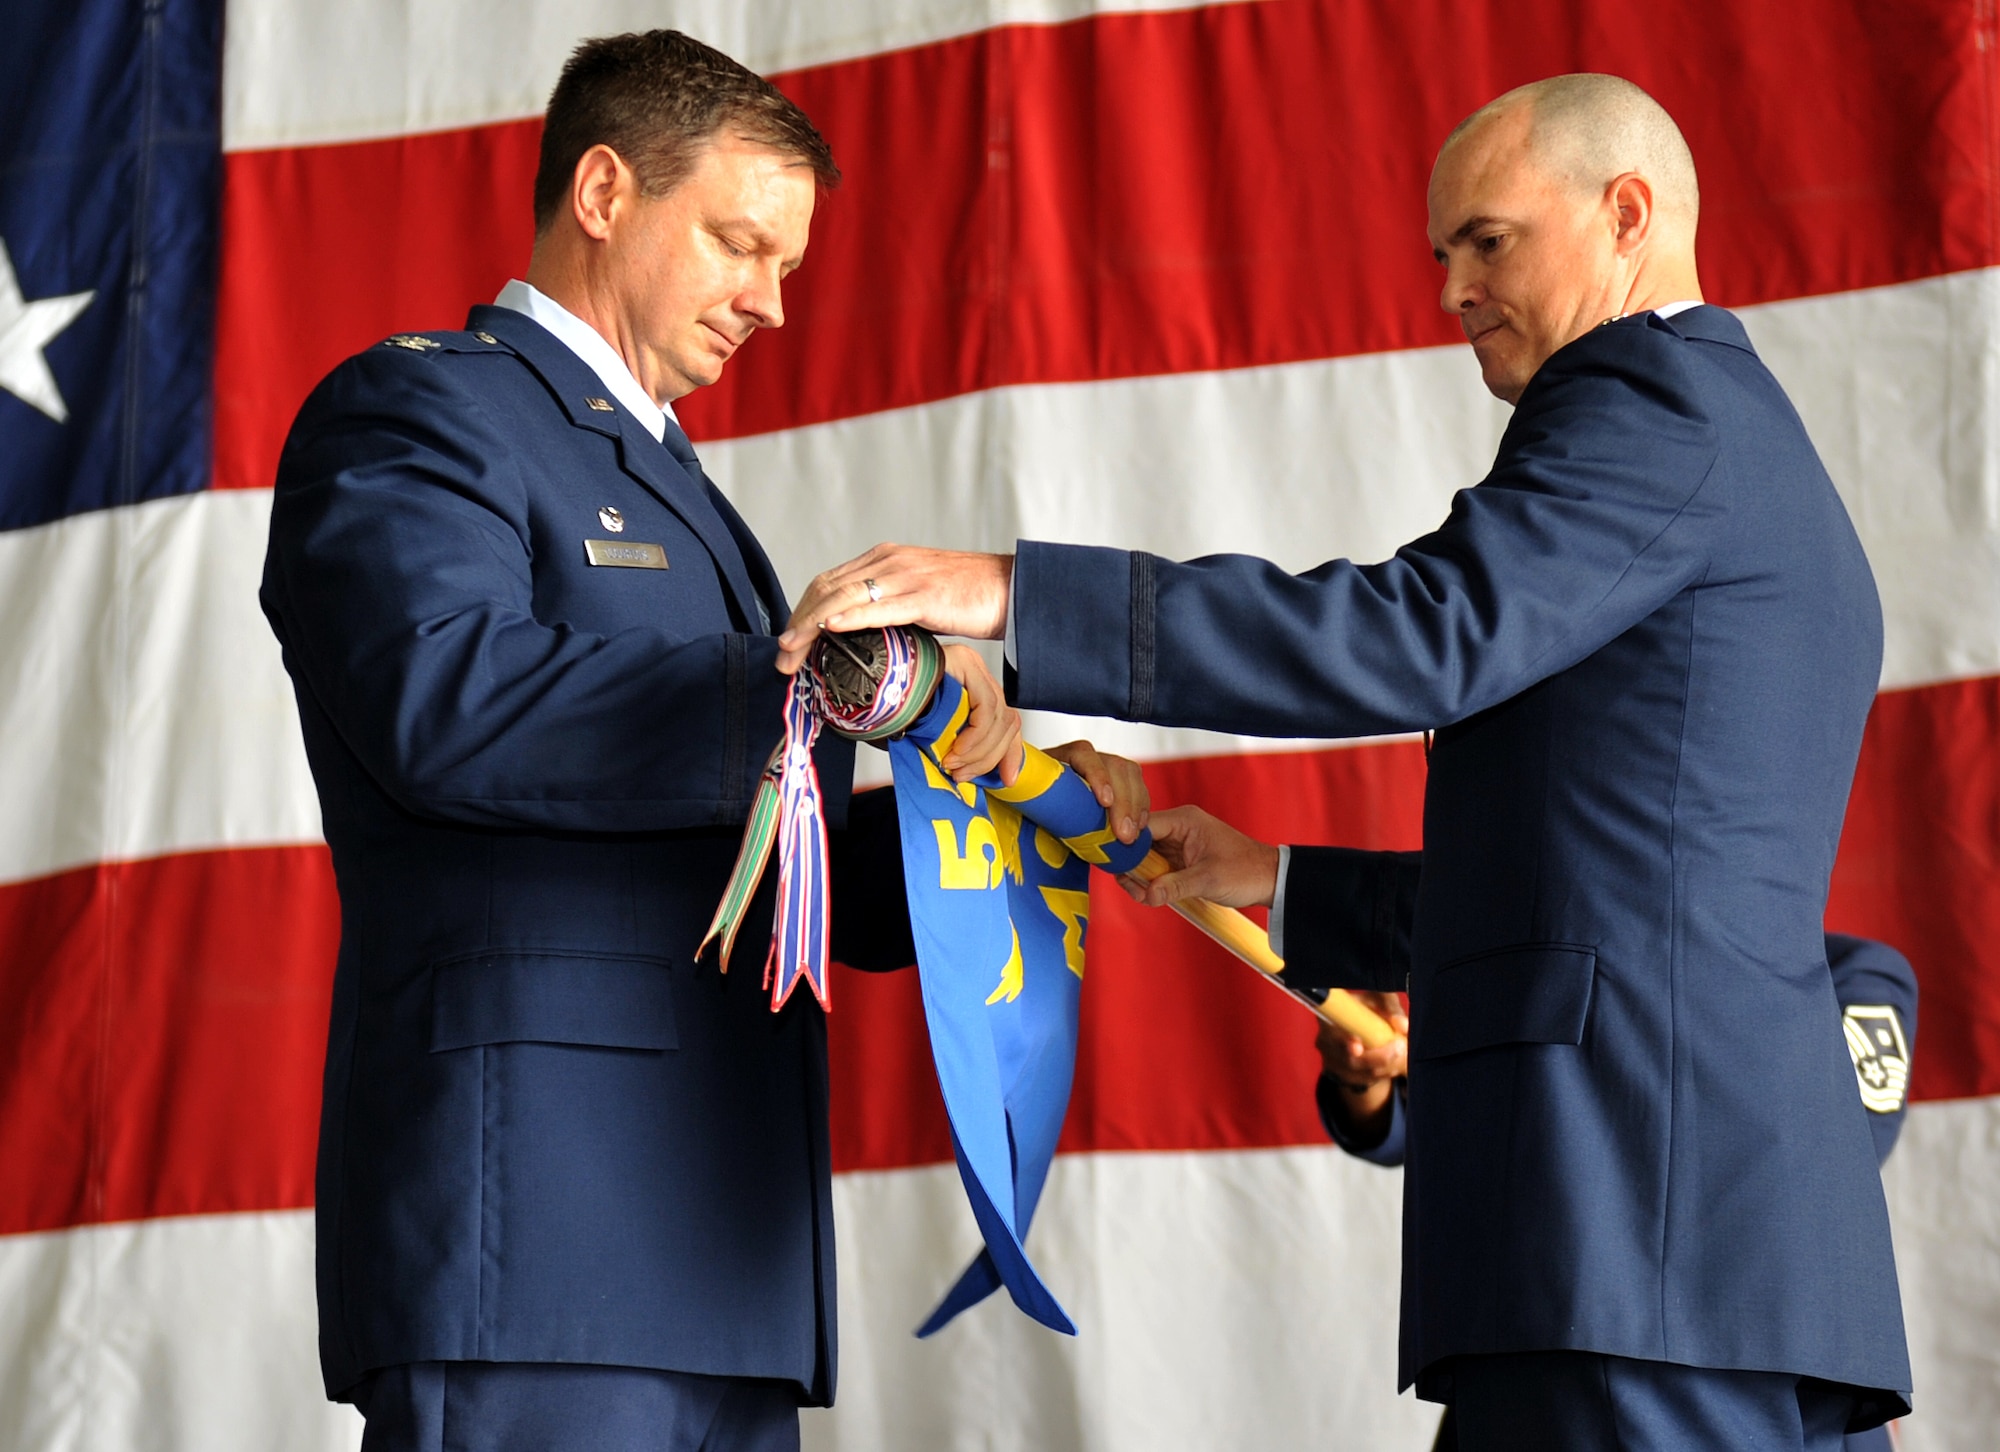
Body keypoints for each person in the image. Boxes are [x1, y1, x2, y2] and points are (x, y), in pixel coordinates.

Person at [777, 73, 1911, 1448]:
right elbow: (1607, 883)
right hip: (1689, 1244)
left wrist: (1014, 593)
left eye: (1489, 239)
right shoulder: (1724, 429)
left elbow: (1422, 633)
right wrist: (1280, 876)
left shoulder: (1651, 405)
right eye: (1443, 253)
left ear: (1628, 216)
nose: (1452, 288)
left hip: (1635, 1228)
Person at [260, 30, 1142, 1452]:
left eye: (786, 264)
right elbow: (446, 705)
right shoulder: (422, 408)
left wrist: (984, 817)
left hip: (720, 1257)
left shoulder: (676, 486)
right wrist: (822, 693)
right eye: (743, 244)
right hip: (541, 1238)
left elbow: (747, 854)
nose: (772, 303)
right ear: (605, 191)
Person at [1314, 930, 1917, 1452]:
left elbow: (1821, 1154)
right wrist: (1365, 1074)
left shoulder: (1854, 976)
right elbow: (1435, 1135)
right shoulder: (1553, 957)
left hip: (1770, 1375)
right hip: (1553, 1345)